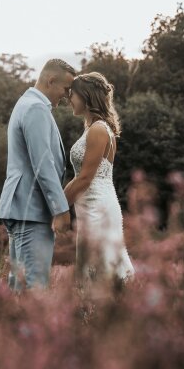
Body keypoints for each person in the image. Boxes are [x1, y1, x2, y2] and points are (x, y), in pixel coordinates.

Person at [0, 58, 76, 292]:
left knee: (19, 286)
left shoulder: (27, 103)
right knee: (35, 287)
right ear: (51, 80)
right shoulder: (35, 108)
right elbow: (43, 163)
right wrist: (60, 209)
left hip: (22, 207)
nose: (67, 95)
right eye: (65, 89)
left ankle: (10, 329)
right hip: (31, 209)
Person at [63, 72, 136, 292]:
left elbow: (85, 177)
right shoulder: (94, 128)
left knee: (101, 266)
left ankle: (106, 314)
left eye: (72, 95)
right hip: (92, 205)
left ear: (86, 96)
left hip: (97, 207)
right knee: (99, 264)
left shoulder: (97, 130)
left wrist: (57, 205)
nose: (69, 100)